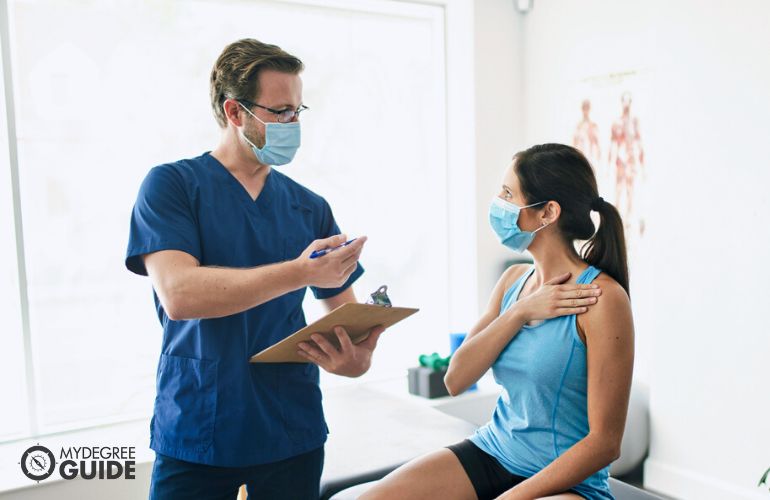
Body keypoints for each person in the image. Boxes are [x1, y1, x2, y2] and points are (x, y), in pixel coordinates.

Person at [125, 39, 384, 500]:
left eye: (299, 110)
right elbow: (181, 296)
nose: (295, 124)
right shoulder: (171, 186)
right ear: (236, 112)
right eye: (281, 112)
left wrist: (356, 357)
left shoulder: (309, 207)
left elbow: (346, 322)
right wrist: (301, 273)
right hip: (198, 426)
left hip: (290, 427)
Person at [361, 143, 634, 500]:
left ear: (547, 213)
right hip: (495, 451)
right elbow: (456, 378)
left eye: (508, 194)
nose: (498, 204)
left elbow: (605, 443)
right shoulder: (513, 283)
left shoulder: (602, 299)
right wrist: (520, 311)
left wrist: (509, 498)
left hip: (570, 482)